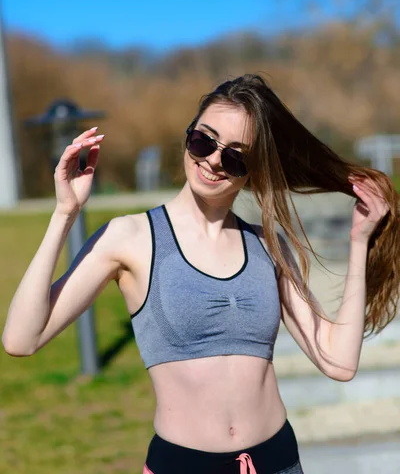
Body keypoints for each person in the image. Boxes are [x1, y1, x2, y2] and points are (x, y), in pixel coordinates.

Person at [2, 74, 399, 474]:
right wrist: (65, 213)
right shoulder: (130, 237)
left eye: (235, 156)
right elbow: (22, 338)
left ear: (254, 171)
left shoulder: (268, 244)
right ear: (188, 137)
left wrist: (358, 242)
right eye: (203, 141)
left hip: (278, 462)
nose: (212, 160)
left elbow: (339, 362)